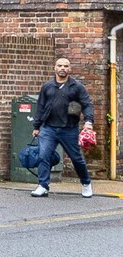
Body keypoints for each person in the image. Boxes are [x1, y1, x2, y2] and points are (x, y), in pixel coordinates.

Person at [31, 56, 96, 198]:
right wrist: (37, 126)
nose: (62, 68)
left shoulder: (76, 87)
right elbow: (40, 107)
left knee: (76, 158)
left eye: (65, 66)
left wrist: (88, 121)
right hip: (49, 128)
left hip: (69, 128)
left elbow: (87, 104)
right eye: (60, 65)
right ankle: (43, 185)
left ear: (70, 69)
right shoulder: (47, 86)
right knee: (43, 156)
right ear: (54, 68)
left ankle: (86, 183)